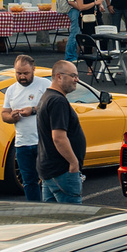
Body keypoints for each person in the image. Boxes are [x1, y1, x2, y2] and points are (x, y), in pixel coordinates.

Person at [35, 60, 89, 204]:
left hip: (49, 169)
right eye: (73, 76)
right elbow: (58, 137)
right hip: (62, 170)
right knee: (73, 217)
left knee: (54, 218)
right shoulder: (57, 101)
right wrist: (73, 163)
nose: (76, 80)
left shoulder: (47, 97)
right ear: (59, 76)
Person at [1, 54, 46, 201]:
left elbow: (55, 106)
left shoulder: (44, 84)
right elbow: (4, 114)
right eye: (18, 73)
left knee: (48, 179)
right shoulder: (11, 90)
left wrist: (33, 110)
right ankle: (36, 210)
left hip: (42, 142)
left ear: (33, 69)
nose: (22, 77)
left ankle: (51, 209)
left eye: (25, 73)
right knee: (29, 181)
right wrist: (11, 117)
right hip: (22, 144)